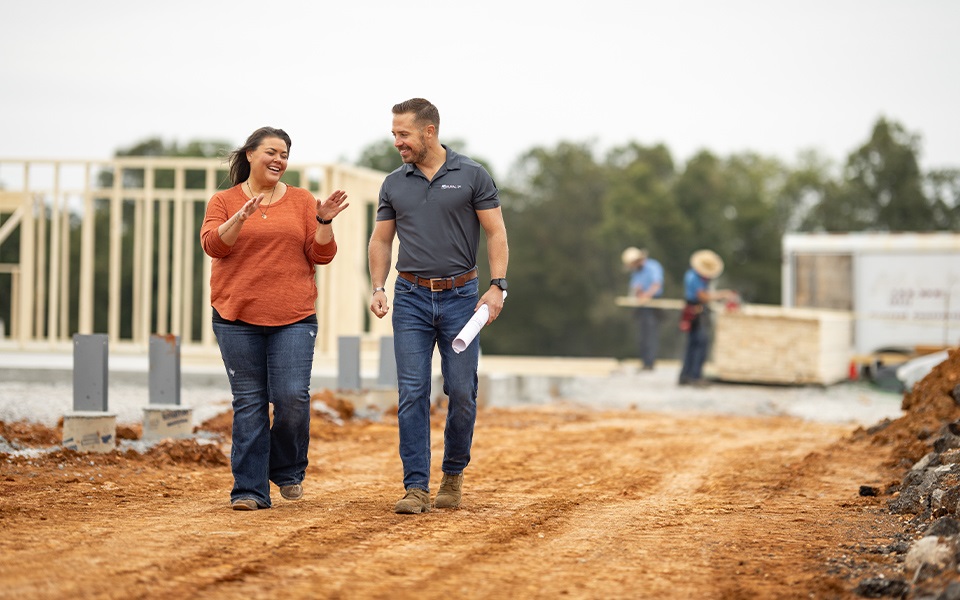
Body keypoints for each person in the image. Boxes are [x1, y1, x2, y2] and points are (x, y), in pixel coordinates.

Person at [368, 98, 509, 514]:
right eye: (394, 133)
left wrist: (498, 286)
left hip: (462, 298)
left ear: (429, 131)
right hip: (410, 297)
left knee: (462, 392)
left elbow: (496, 233)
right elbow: (380, 239)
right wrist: (378, 286)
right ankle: (415, 487)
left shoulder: (472, 175)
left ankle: (452, 474)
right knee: (412, 391)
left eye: (403, 134)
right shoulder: (394, 182)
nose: (397, 142)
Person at [200, 126, 350, 511]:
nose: (278, 159)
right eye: (271, 151)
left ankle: (287, 470)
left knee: (291, 398)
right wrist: (240, 217)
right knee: (249, 402)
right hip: (236, 316)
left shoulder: (301, 200)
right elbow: (214, 244)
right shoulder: (223, 200)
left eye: (284, 154)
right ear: (249, 154)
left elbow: (321, 256)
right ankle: (249, 490)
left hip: (293, 317)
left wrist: (324, 222)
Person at [678, 249, 735, 387]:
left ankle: (686, 375)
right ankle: (694, 376)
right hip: (696, 311)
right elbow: (702, 296)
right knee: (700, 342)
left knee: (693, 343)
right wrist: (721, 295)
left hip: (694, 310)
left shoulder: (693, 275)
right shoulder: (694, 277)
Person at [621, 246, 664, 371]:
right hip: (642, 305)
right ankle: (645, 361)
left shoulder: (653, 266)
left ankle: (650, 362)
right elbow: (636, 287)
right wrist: (639, 294)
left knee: (650, 334)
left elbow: (657, 285)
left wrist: (646, 295)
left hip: (653, 303)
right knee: (642, 335)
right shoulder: (636, 272)